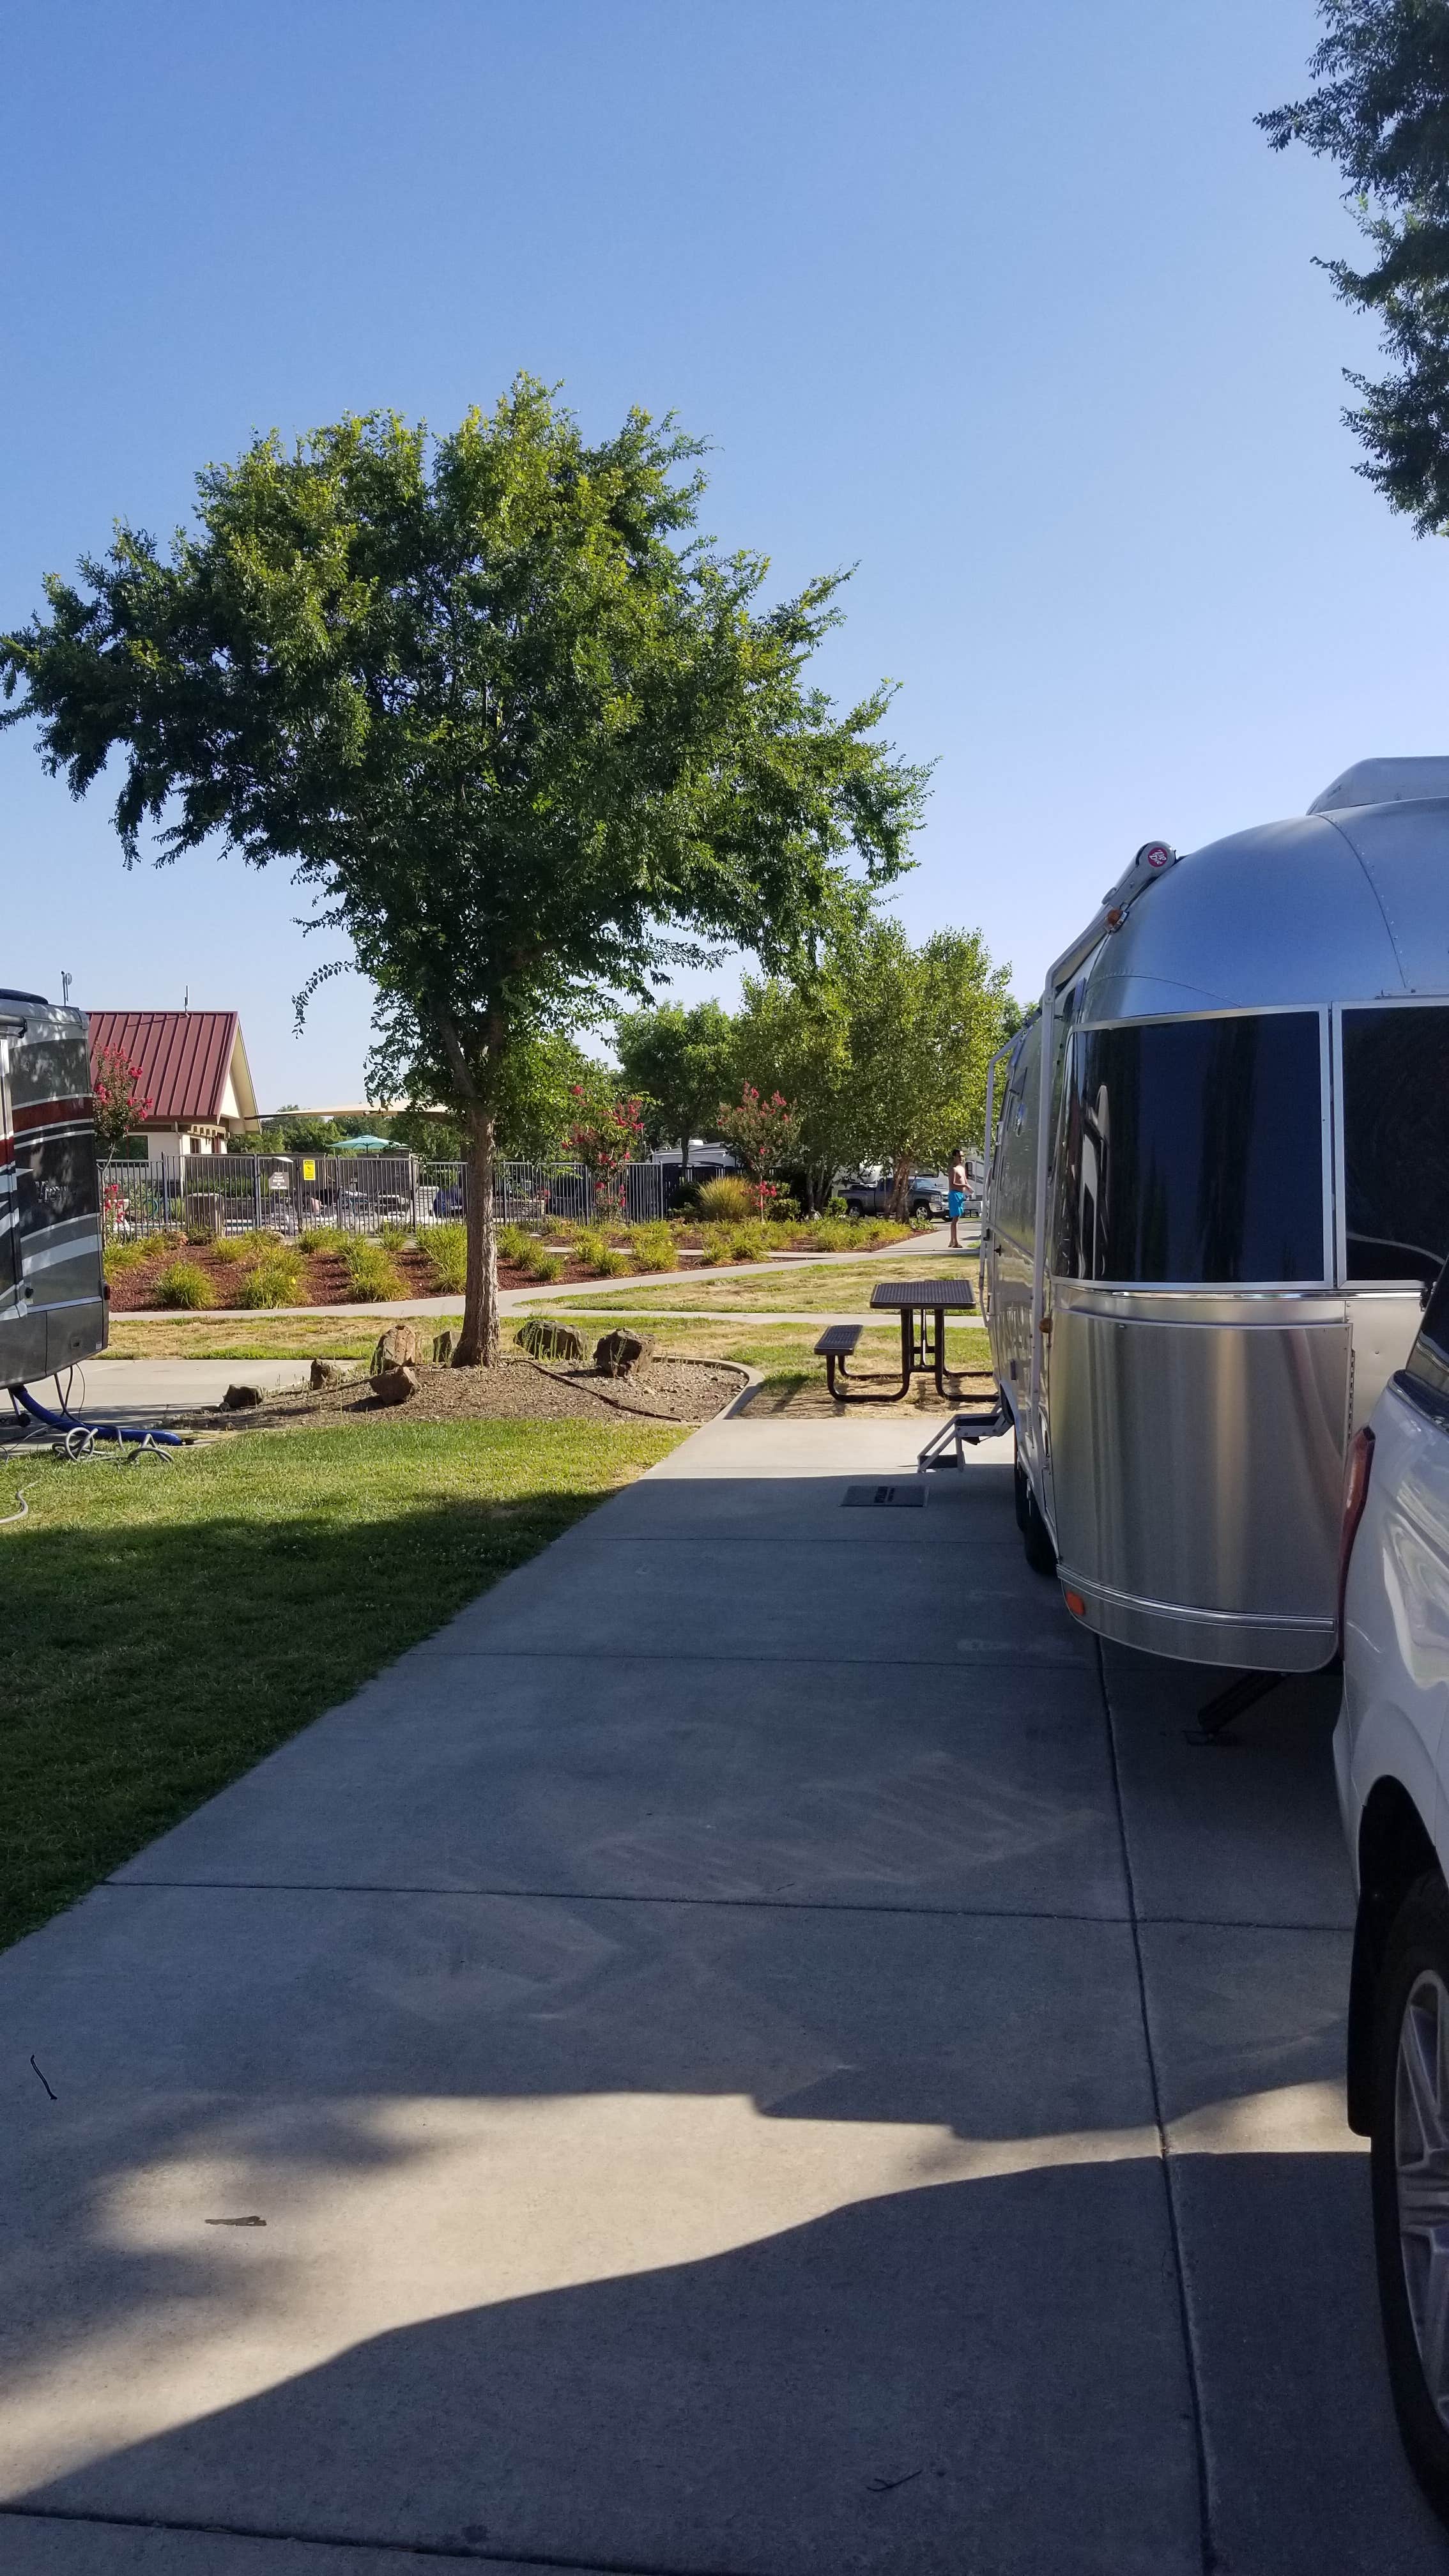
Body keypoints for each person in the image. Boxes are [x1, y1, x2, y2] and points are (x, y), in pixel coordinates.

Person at [947, 1151, 967, 1250]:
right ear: (954, 1157)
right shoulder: (953, 1169)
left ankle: (952, 1241)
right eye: (959, 1156)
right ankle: (955, 1242)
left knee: (957, 1218)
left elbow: (965, 1181)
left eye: (962, 1156)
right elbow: (952, 1185)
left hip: (960, 1195)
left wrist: (967, 1188)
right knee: (955, 1219)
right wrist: (964, 1186)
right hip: (954, 1194)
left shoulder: (962, 1169)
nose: (961, 1158)